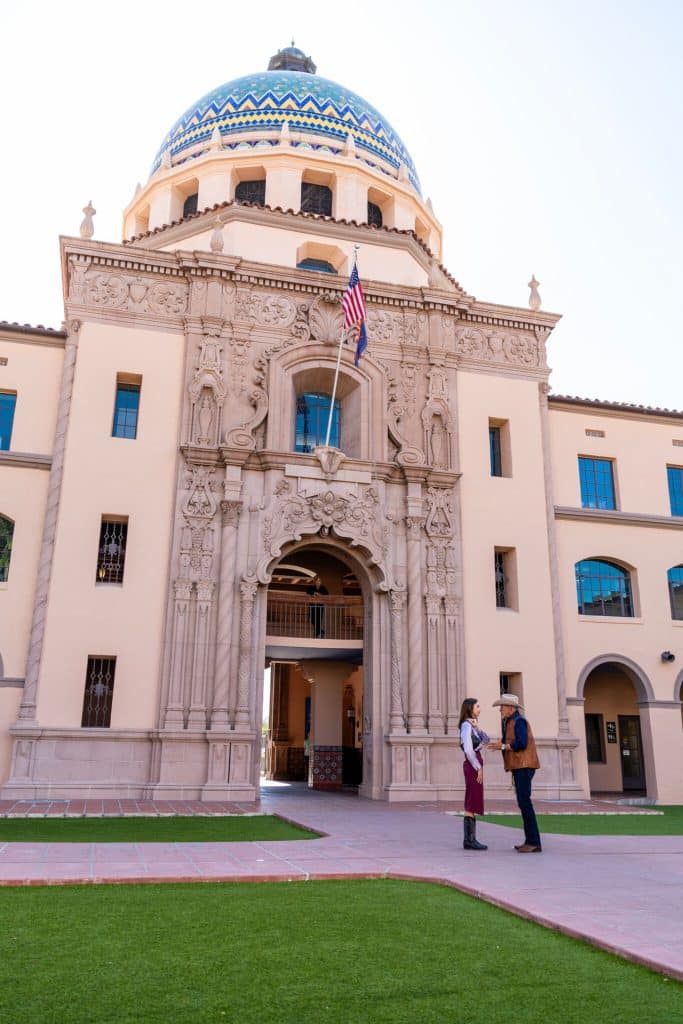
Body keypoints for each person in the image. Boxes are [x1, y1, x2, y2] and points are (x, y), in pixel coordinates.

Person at [489, 694, 542, 852]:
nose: (500, 710)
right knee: (523, 803)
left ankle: (534, 842)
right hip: (520, 767)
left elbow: (521, 743)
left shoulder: (519, 722)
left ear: (510, 708)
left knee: (525, 803)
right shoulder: (512, 721)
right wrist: (502, 744)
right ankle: (530, 841)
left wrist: (502, 746)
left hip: (524, 767)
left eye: (502, 707)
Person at [458, 697, 490, 851]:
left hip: (475, 763)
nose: (479, 709)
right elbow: (468, 750)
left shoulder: (471, 726)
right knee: (472, 799)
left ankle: (470, 839)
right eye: (477, 706)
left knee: (474, 799)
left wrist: (477, 728)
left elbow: (487, 740)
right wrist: (478, 767)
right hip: (473, 764)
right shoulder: (465, 726)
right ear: (470, 708)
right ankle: (469, 840)